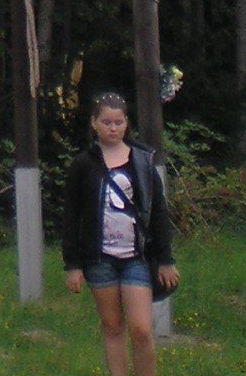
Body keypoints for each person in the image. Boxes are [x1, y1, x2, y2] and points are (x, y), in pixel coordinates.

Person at [62, 91, 179, 376]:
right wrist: (73, 265)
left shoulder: (141, 161)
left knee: (141, 329)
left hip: (135, 258)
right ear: (94, 124)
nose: (112, 128)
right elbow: (70, 216)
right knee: (112, 326)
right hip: (99, 260)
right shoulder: (83, 165)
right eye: (106, 122)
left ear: (126, 124)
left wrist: (165, 259)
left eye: (118, 122)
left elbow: (158, 211)